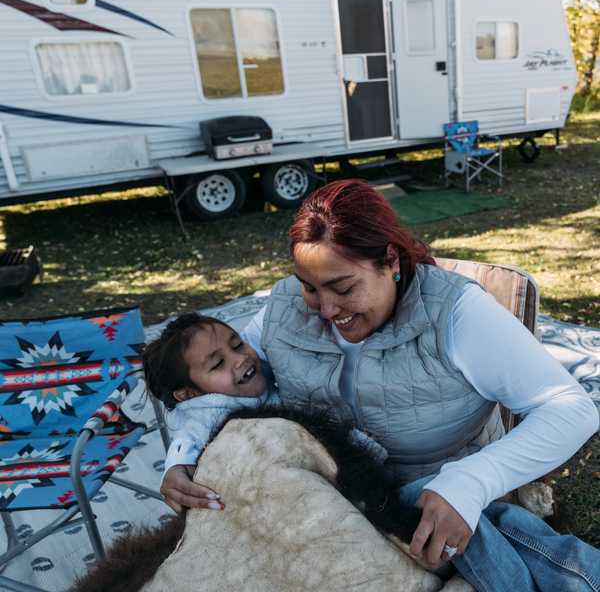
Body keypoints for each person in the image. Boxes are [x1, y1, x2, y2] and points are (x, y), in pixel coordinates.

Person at [159, 179, 599, 590]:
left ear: (390, 261)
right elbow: (215, 388)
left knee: (506, 539)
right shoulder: (285, 309)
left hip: (429, 492)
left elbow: (570, 408)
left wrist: (471, 482)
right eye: (309, 287)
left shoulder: (454, 312)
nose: (326, 309)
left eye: (343, 287)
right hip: (327, 493)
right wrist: (179, 459)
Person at [143, 312, 389, 512]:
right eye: (218, 364)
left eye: (238, 344)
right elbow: (189, 436)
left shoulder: (254, 378)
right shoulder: (208, 416)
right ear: (189, 394)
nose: (240, 359)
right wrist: (177, 464)